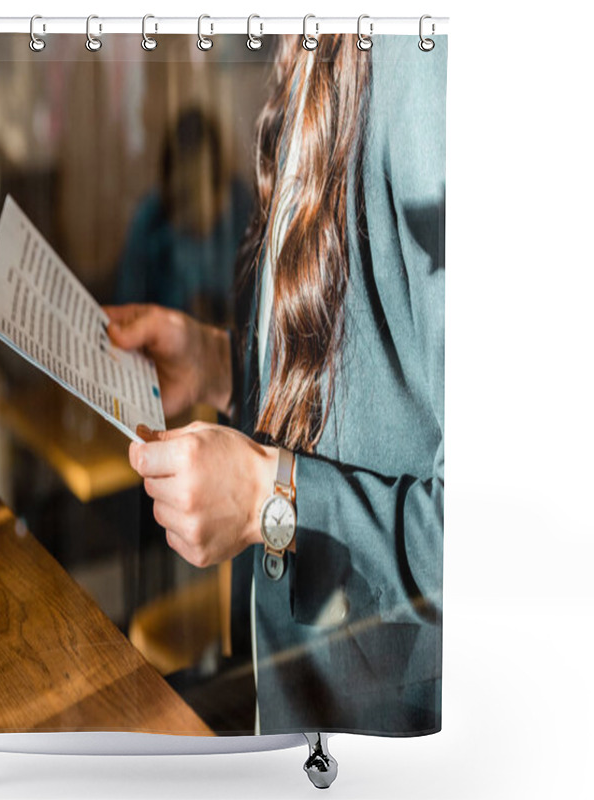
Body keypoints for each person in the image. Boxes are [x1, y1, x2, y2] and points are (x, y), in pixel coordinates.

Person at [104, 34, 446, 736]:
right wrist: (225, 367)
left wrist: (270, 496)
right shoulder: (323, 48)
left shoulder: (424, 62)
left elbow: (498, 544)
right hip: (299, 695)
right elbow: (380, 391)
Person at [113, 107, 252, 326]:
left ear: (219, 190)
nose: (185, 214)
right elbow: (126, 310)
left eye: (193, 195)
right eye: (179, 199)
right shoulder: (149, 222)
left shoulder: (245, 215)